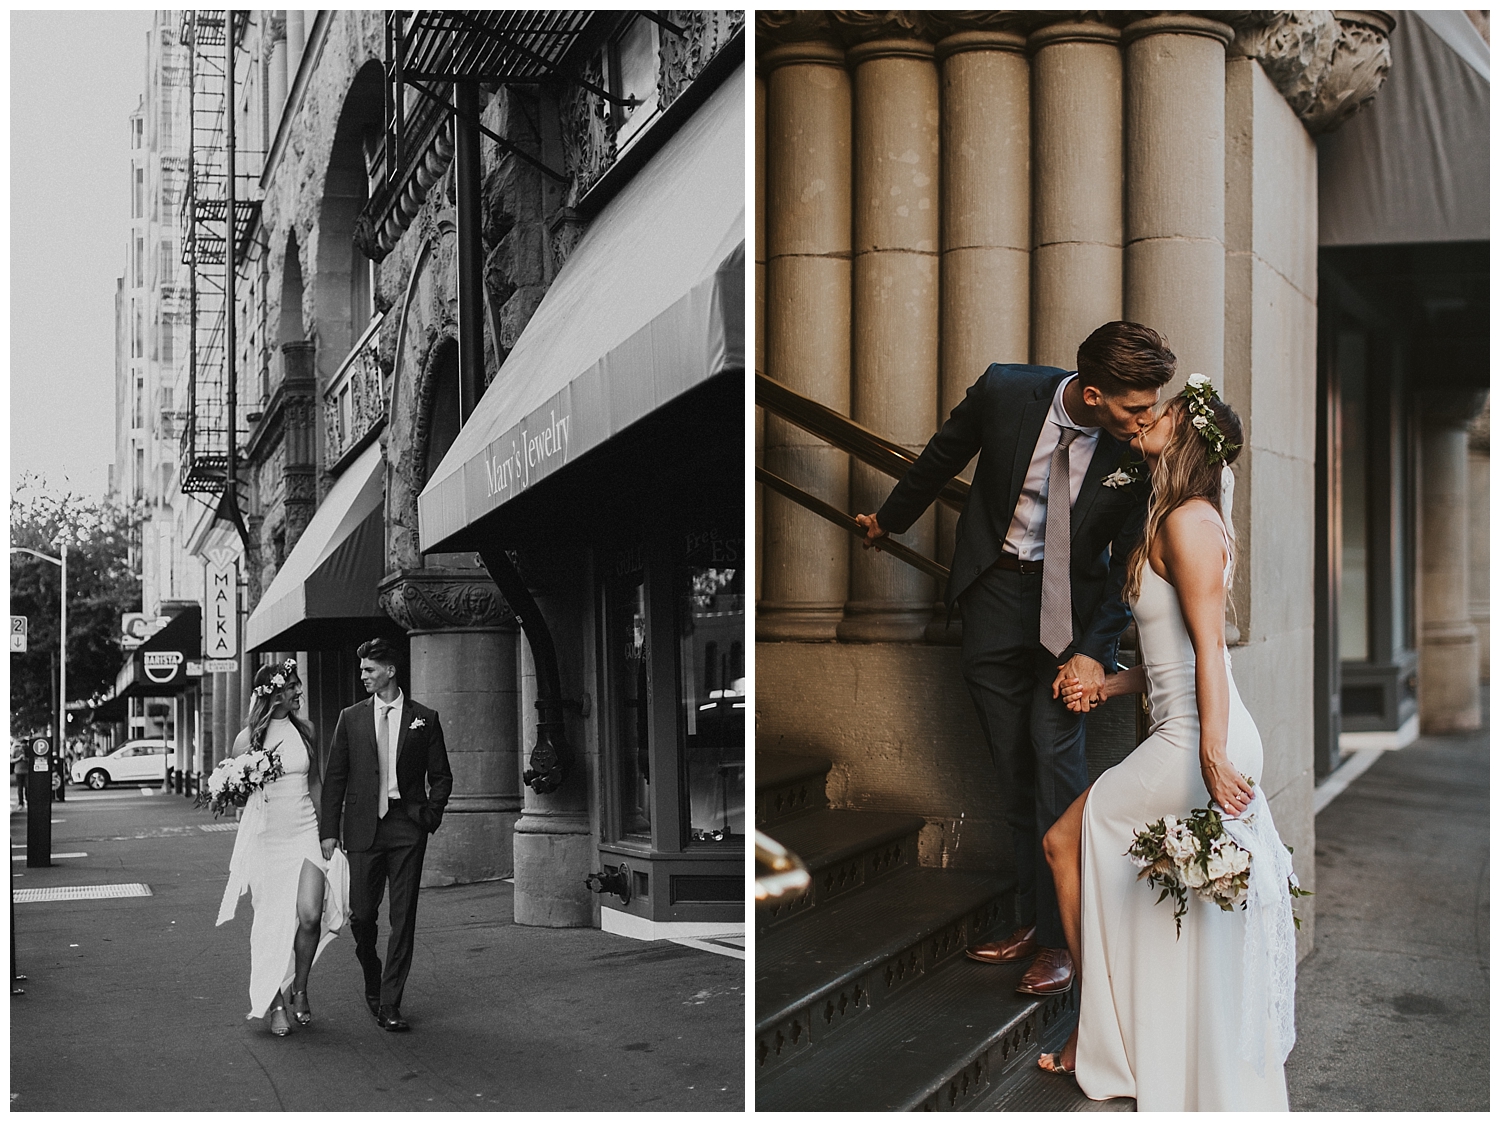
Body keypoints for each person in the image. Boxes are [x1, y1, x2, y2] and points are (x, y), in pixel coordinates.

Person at [856, 322, 1172, 996]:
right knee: (1015, 772)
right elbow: (940, 456)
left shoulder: (1138, 451)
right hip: (994, 594)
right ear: (1092, 395)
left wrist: (1093, 652)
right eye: (1135, 407)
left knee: (1056, 766)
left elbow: (1130, 565)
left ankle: (1065, 944)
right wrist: (888, 521)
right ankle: (1033, 920)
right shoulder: (1005, 391)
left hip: (1071, 622)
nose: (1148, 420)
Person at [1039, 379, 1293, 1109]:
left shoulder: (1187, 522)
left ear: (1188, 436)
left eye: (1170, 409)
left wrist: (1211, 755)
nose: (1154, 413)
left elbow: (1213, 651)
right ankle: (1132, 1043)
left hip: (1197, 738)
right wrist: (1109, 687)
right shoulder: (1179, 515)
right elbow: (1170, 661)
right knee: (1133, 880)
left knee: (1066, 841)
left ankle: (1100, 1040)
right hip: (1190, 726)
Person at [321, 638, 453, 1033]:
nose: (363, 675)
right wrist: (329, 831)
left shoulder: (424, 718)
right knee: (361, 915)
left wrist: (429, 814)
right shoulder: (351, 717)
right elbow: (336, 778)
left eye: (370, 669)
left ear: (391, 670)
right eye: (362, 670)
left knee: (403, 917)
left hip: (406, 827)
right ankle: (372, 977)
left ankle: (391, 1002)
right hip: (363, 826)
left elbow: (441, 775)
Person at [216, 659, 347, 1037]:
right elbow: (236, 793)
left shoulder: (305, 730)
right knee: (271, 923)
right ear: (272, 692)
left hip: (304, 830)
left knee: (309, 915)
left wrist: (327, 832)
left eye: (298, 685)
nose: (298, 692)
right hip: (267, 838)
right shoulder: (247, 739)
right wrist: (234, 788)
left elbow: (317, 783)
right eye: (291, 687)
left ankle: (300, 988)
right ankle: (275, 1002)